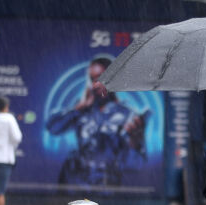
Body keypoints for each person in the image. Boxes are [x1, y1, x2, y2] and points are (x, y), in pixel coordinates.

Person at [46, 56, 147, 188]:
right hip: (74, 183)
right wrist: (78, 108)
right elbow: (53, 128)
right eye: (92, 78)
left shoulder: (128, 115)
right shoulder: (81, 110)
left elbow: (136, 165)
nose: (95, 83)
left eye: (100, 77)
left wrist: (134, 143)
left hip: (106, 185)